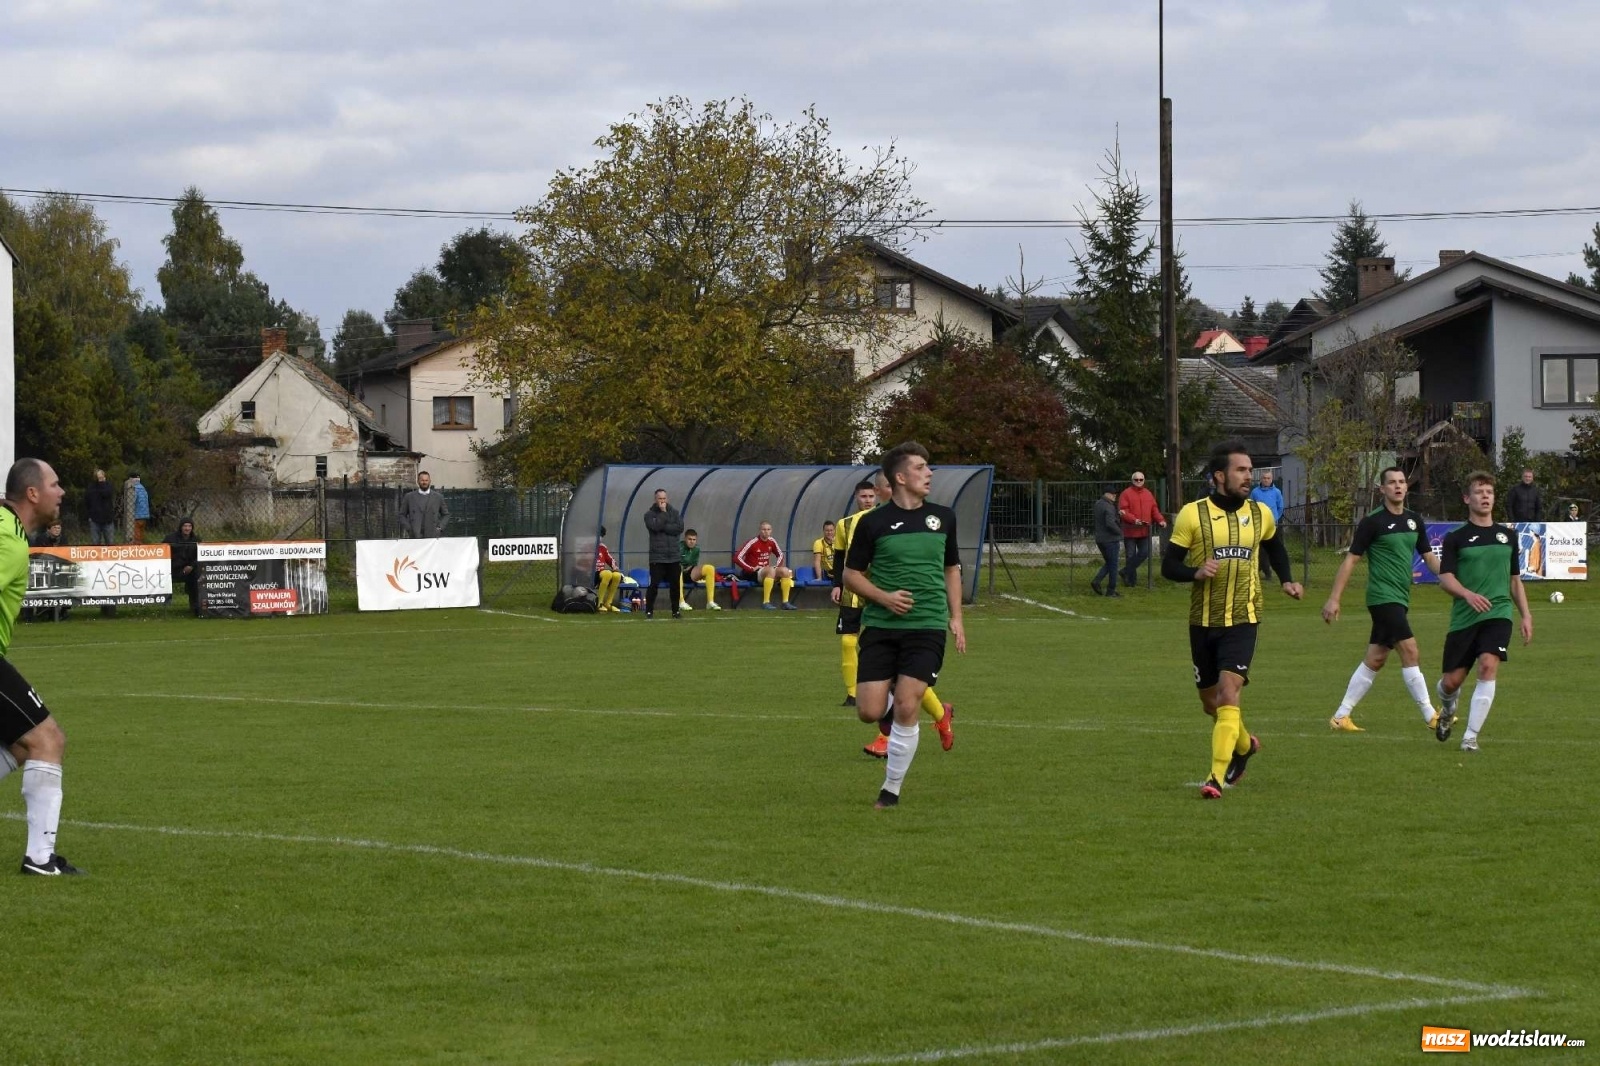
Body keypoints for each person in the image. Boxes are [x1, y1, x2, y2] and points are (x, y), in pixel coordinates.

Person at [1163, 441, 1303, 799]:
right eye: (1241, 470)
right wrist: (1195, 573)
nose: (1248, 476)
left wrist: (1286, 579)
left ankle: (1215, 777)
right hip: (1202, 620)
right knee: (1211, 704)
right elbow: (1169, 566)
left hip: (1244, 618)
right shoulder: (1192, 514)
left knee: (1229, 692)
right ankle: (1243, 746)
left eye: (1250, 469)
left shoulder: (1261, 514)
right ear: (1219, 476)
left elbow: (1275, 546)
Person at [844, 442, 966, 808]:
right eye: (921, 467)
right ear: (900, 477)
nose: (929, 473)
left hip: (926, 624)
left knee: (908, 706)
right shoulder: (873, 522)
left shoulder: (944, 517)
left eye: (928, 467)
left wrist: (956, 616)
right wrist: (883, 597)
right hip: (881, 625)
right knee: (868, 710)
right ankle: (910, 709)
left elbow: (951, 569)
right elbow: (851, 575)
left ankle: (890, 791)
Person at [1, 458, 84, 875]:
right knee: (47, 740)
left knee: (19, 746)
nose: (62, 491)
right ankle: (39, 859)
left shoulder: (7, 529)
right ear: (32, 494)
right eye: (55, 483)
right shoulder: (6, 539)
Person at [1321, 467, 1442, 732]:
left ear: (1406, 488)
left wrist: (1450, 578)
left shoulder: (1414, 520)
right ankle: (1431, 715)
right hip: (1382, 597)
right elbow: (1351, 560)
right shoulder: (1372, 522)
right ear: (1382, 489)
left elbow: (1428, 556)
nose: (1398, 486)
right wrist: (1334, 598)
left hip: (1400, 597)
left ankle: (1341, 716)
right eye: (1392, 483)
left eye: (1401, 482)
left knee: (1376, 658)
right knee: (1410, 650)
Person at [1434, 472, 1534, 753]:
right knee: (1451, 682)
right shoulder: (1456, 538)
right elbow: (1445, 579)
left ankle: (1470, 737)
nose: (1485, 496)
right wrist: (1467, 594)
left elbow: (1515, 580)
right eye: (1479, 492)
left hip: (1499, 613)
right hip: (1464, 618)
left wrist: (1525, 615)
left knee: (1489, 665)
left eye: (1489, 491)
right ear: (1467, 498)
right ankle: (1447, 709)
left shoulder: (1508, 536)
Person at [641, 488, 685, 619]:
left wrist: (663, 526)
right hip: (658, 557)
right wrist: (664, 514)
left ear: (667, 499)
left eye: (664, 498)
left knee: (675, 585)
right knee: (654, 585)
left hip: (673, 556)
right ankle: (649, 611)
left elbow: (679, 528)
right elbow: (654, 527)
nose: (662, 501)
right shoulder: (649, 514)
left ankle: (675, 611)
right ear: (655, 500)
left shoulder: (675, 513)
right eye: (660, 499)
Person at [1118, 470, 1166, 588]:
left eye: (1141, 479)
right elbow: (1123, 511)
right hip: (1130, 530)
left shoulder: (1148, 494)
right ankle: (1130, 581)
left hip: (1145, 531)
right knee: (1130, 555)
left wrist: (1160, 520)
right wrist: (1134, 520)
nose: (1138, 482)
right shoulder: (1126, 494)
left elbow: (1154, 509)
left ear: (1144, 480)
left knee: (1144, 553)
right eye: (1136, 480)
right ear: (1132, 481)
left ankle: (1125, 571)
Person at [735, 521, 795, 610]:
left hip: (766, 572)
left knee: (785, 571)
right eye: (763, 529)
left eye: (768, 529)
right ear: (760, 530)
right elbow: (737, 557)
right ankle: (766, 602)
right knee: (770, 570)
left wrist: (777, 566)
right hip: (752, 573)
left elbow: (780, 555)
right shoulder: (752, 542)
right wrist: (750, 568)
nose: (766, 531)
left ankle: (785, 602)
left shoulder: (772, 541)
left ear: (771, 531)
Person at [1250, 470, 1286, 580]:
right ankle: (1264, 570)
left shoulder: (1277, 492)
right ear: (1261, 479)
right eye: (1264, 478)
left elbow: (1280, 507)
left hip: (1272, 525)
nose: (1266, 480)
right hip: (1258, 525)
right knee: (1260, 549)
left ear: (1271, 479)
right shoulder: (1255, 492)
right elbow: (1251, 506)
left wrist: (1274, 519)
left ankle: (1265, 571)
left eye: (1268, 478)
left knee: (1272, 549)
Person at [1090, 485, 1122, 597]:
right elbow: (1110, 523)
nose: (1115, 496)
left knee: (1109, 563)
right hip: (1110, 539)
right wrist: (1120, 532)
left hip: (1100, 539)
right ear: (1107, 494)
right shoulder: (1109, 506)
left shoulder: (1098, 504)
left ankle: (1097, 581)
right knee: (1113, 565)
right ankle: (1111, 590)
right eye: (1113, 494)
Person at [166, 517, 202, 617]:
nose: (187, 528)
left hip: (190, 570)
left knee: (197, 576)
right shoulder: (170, 538)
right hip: (173, 569)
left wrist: (191, 566)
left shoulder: (196, 540)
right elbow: (162, 552)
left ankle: (196, 608)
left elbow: (200, 556)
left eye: (189, 526)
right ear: (181, 527)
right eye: (185, 526)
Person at [677, 529, 720, 612]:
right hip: (676, 574)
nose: (692, 542)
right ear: (685, 539)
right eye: (689, 539)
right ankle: (681, 602)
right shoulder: (679, 547)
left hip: (688, 572)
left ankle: (710, 602)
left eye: (694, 540)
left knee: (710, 568)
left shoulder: (696, 549)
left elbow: (693, 565)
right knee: (677, 569)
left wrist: (699, 575)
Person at [398, 471, 448, 538]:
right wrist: (409, 529)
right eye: (422, 480)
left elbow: (446, 515)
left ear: (430, 481)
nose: (424, 482)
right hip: (415, 535)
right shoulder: (409, 497)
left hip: (433, 535)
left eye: (426, 480)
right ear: (418, 481)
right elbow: (401, 515)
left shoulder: (438, 497)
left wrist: (439, 528)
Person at [593, 527, 625, 612]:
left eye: (601, 536)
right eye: (598, 535)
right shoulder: (587, 546)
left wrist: (615, 567)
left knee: (617, 575)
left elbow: (610, 559)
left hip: (601, 573)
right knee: (607, 573)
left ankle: (608, 603)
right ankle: (599, 603)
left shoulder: (602, 547)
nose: (599, 537)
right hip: (592, 574)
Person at [86, 469, 116, 545]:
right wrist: (89, 516)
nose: (100, 478)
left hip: (107, 520)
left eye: (102, 476)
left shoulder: (108, 485)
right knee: (95, 544)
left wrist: (102, 483)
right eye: (98, 477)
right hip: (94, 520)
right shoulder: (91, 487)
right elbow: (87, 502)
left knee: (110, 543)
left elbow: (106, 494)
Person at [128, 472, 151, 544]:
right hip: (145, 515)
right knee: (141, 534)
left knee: (136, 537)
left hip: (137, 515)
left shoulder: (134, 489)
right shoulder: (143, 488)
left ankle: (137, 551)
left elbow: (132, 501)